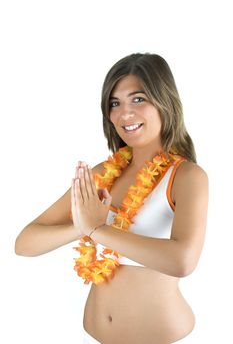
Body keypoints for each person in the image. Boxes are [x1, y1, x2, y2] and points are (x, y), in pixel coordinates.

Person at [15, 53, 209, 344]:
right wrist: (80, 227)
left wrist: (98, 230)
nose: (124, 113)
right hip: (91, 335)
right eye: (115, 103)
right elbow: (24, 243)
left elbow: (182, 261)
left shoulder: (187, 177)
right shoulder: (102, 174)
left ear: (164, 101)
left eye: (138, 99)